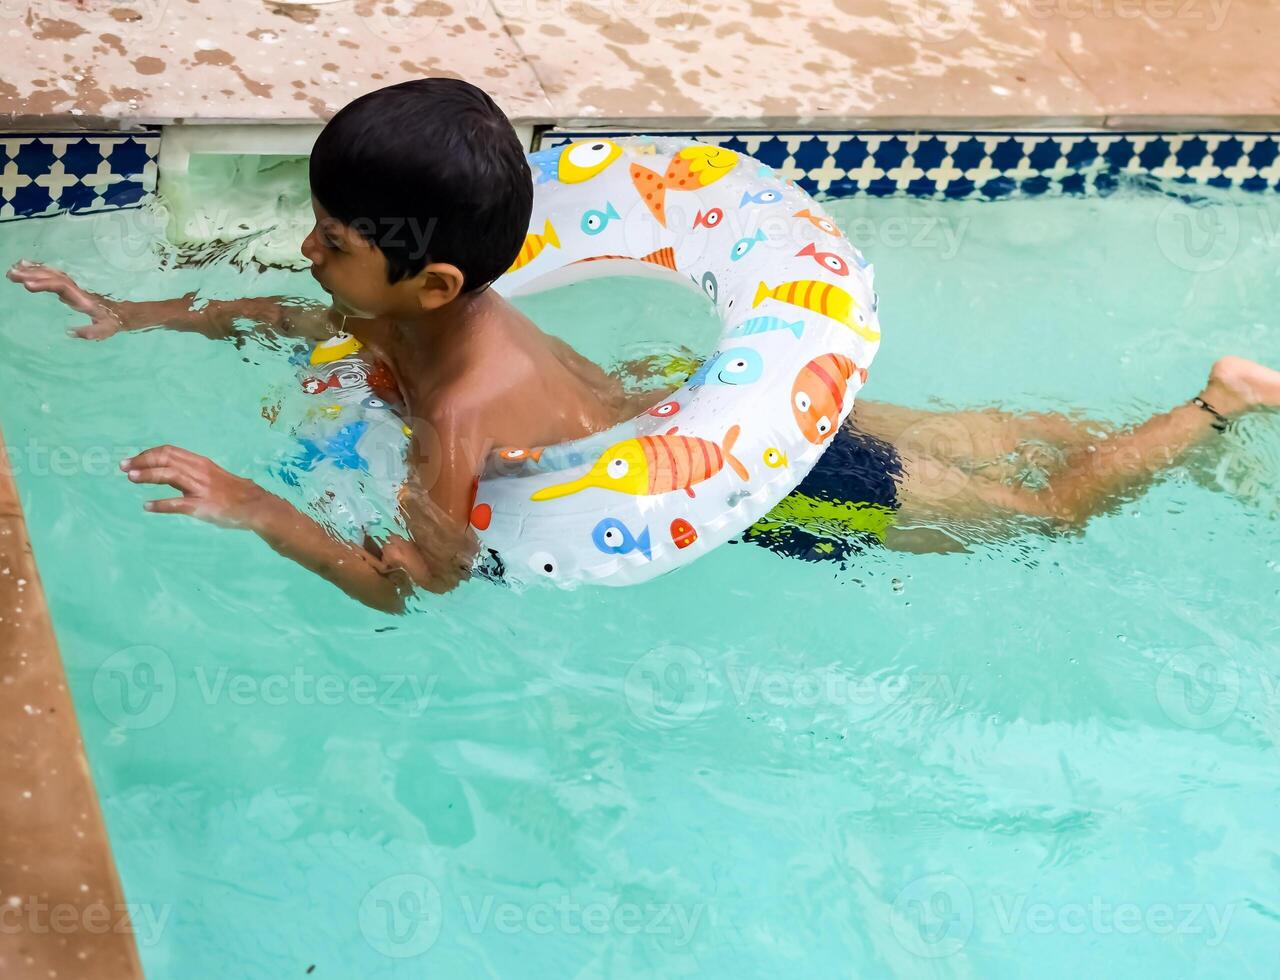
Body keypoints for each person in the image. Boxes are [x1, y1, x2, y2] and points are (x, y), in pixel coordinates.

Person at [8, 79, 1280, 611]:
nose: (306, 253)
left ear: (430, 276)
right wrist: (140, 314)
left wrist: (253, 507)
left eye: (333, 237)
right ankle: (1198, 415)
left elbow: (411, 582)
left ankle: (1217, 407)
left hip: (768, 484)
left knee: (1039, 509)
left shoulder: (457, 422)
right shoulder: (397, 305)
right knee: (979, 432)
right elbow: (287, 321)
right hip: (684, 395)